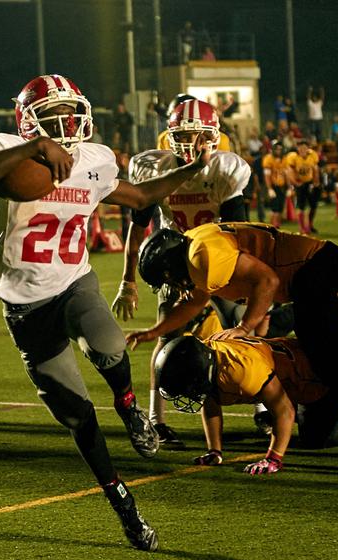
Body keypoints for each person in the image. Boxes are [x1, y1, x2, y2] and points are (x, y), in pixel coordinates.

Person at [0, 73, 216, 552]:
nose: (66, 123)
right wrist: (34, 146)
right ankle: (124, 507)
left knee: (110, 344)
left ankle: (129, 407)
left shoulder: (95, 159)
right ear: (28, 122)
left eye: (70, 113)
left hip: (75, 281)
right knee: (78, 418)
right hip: (25, 304)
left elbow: (139, 197)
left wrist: (188, 170)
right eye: (51, 116)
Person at [128, 222, 338, 457]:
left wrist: (244, 327)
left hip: (318, 271)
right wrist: (155, 332)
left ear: (170, 267)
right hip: (310, 277)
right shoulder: (196, 247)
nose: (173, 287)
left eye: (167, 279)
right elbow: (197, 301)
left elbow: (267, 280)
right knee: (332, 368)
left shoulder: (202, 259)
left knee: (336, 369)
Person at [111, 98, 251, 450]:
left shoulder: (225, 169)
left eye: (200, 136)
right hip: (175, 266)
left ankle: (263, 406)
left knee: (242, 330)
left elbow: (238, 229)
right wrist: (128, 280)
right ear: (170, 137)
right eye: (185, 135)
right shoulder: (153, 168)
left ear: (214, 136)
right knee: (167, 339)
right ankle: (157, 419)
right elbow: (137, 227)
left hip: (221, 259)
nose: (193, 143)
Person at [155, 335, 338, 471]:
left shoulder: (239, 371)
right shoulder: (210, 357)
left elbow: (284, 410)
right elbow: (211, 401)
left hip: (310, 379)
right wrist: (214, 450)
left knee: (317, 436)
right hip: (292, 361)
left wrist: (273, 458)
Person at [285, 140, 320, 234]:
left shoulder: (312, 155)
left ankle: (310, 225)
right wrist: (295, 184)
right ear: (297, 148)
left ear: (308, 148)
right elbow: (289, 172)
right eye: (300, 148)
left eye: (304, 148)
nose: (302, 150)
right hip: (299, 183)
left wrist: (316, 182)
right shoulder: (293, 157)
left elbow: (315, 169)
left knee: (313, 205)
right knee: (301, 206)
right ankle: (302, 228)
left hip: (310, 182)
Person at [262, 143, 288, 228]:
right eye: (277, 149)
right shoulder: (269, 159)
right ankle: (272, 226)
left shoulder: (284, 159)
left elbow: (286, 174)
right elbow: (267, 175)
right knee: (275, 208)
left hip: (282, 186)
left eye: (280, 149)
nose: (279, 151)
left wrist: (289, 187)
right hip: (273, 186)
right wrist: (270, 188)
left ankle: (277, 226)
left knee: (280, 208)